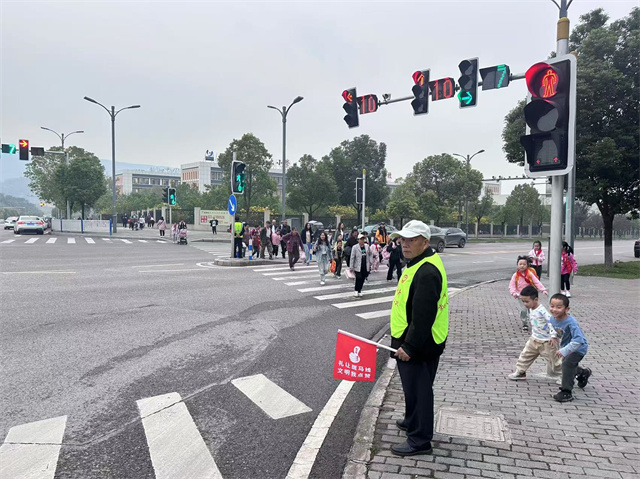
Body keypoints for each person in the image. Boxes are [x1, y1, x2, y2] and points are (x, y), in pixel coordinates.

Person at [387, 220, 448, 457]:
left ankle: (420, 439)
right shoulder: (419, 263)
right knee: (412, 388)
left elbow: (423, 315)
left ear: (425, 241)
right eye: (403, 239)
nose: (405, 244)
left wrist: (409, 346)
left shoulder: (427, 271)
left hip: (420, 343)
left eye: (412, 240)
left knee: (419, 390)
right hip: (417, 340)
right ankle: (411, 420)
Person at [507, 285, 561, 381]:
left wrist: (553, 336)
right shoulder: (531, 309)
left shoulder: (542, 310)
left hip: (547, 342)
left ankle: (569, 375)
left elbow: (551, 322)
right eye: (523, 301)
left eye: (527, 301)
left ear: (535, 299)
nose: (525, 304)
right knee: (525, 356)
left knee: (555, 362)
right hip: (534, 339)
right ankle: (520, 372)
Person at [548, 293, 591, 402]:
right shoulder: (553, 319)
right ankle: (583, 373)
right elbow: (553, 329)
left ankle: (566, 392)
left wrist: (564, 350)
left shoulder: (572, 322)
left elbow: (579, 340)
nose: (554, 309)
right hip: (567, 347)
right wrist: (553, 337)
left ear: (567, 309)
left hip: (578, 348)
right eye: (552, 306)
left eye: (559, 307)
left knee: (567, 364)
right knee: (569, 366)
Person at [509, 256, 548, 332]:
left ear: (527, 265)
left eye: (524, 264)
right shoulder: (515, 275)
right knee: (523, 310)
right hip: (521, 296)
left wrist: (543, 290)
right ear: (517, 265)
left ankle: (535, 323)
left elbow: (536, 282)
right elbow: (512, 285)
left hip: (530, 296)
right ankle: (525, 324)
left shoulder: (529, 274)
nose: (522, 265)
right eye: (520, 264)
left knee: (532, 310)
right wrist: (514, 293)